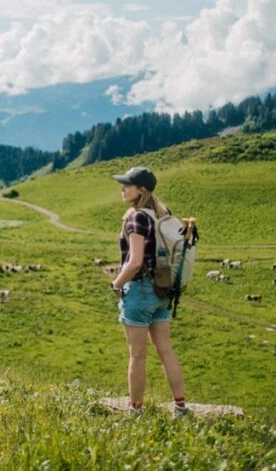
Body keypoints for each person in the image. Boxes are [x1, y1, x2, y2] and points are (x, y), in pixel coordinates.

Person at [110, 166, 188, 416]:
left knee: (137, 356)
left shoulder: (136, 218)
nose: (122, 189)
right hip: (162, 291)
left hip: (140, 290)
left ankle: (135, 410)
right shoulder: (160, 214)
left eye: (127, 185)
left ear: (140, 190)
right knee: (166, 350)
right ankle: (180, 407)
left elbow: (135, 261)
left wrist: (117, 283)